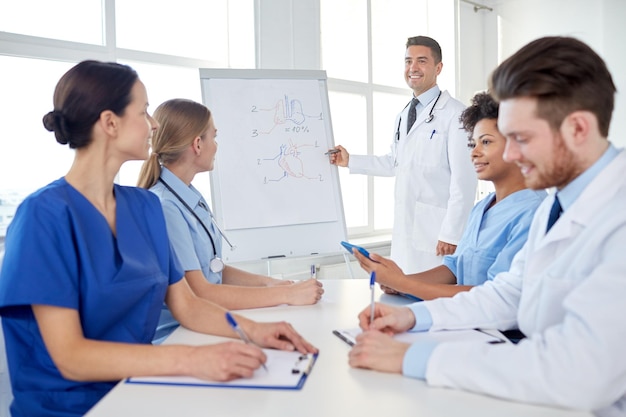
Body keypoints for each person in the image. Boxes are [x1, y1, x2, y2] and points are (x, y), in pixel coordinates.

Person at [0, 60, 317, 417]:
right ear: (110, 122)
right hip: (68, 407)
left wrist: (257, 332)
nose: (153, 124)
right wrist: (193, 358)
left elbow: (189, 305)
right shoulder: (42, 217)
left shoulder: (145, 207)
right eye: (144, 111)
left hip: (140, 387)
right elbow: (70, 356)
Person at [348, 36, 626, 416]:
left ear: (578, 128)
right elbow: (509, 292)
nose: (509, 155)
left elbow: (581, 374)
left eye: (520, 139)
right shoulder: (558, 204)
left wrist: (416, 359)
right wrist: (412, 316)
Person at [137, 98, 324, 339]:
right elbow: (200, 292)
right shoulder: (166, 206)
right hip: (179, 334)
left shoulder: (188, 194)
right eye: (213, 137)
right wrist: (287, 296)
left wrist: (271, 284)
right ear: (197, 144)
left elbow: (213, 269)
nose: (216, 145)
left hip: (203, 324)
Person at [354, 92, 545, 301]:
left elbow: (496, 296)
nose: (474, 152)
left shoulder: (534, 213)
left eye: (486, 142)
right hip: (461, 320)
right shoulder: (481, 208)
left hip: (497, 330)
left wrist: (404, 283)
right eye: (473, 144)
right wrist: (399, 282)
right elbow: (453, 269)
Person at [329, 35, 477, 274]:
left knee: (432, 298)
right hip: (407, 231)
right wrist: (350, 161)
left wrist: (452, 233)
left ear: (438, 68)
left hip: (438, 234)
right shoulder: (404, 114)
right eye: (408, 61)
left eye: (421, 61)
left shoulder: (456, 115)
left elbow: (464, 181)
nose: (413, 68)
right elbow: (394, 163)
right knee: (403, 294)